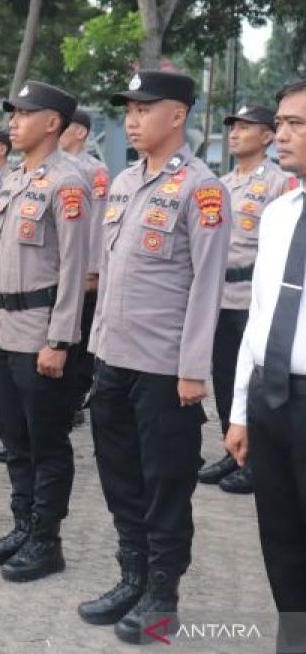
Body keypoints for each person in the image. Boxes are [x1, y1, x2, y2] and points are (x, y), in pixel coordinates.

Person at [78, 70, 228, 645]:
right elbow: (113, 273)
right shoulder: (121, 182)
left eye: (145, 109)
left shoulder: (201, 188)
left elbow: (208, 285)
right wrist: (96, 348)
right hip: (114, 357)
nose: (133, 120)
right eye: (130, 110)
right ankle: (131, 577)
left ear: (178, 115)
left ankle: (162, 596)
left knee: (165, 482)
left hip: (167, 368)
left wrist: (194, 371)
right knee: (120, 476)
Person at [0, 81, 89, 582]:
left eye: (25, 113)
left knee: (47, 444)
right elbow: (0, 259)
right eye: (13, 113)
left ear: (53, 123)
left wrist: (59, 340)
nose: (13, 121)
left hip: (41, 335)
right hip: (4, 332)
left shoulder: (70, 183)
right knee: (15, 441)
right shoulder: (17, 178)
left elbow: (75, 269)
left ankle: (46, 540)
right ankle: (22, 526)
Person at [225, 77, 306, 654]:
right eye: (279, 123)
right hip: (272, 400)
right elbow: (259, 318)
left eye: (295, 124)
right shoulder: (279, 213)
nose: (281, 135)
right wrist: (239, 412)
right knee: (281, 540)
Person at [201, 105, 289, 495]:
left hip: (252, 298)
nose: (234, 134)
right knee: (225, 379)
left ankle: (256, 460)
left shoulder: (278, 183)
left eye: (245, 127)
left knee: (254, 382)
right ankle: (232, 446)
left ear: (268, 136)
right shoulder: (222, 183)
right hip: (221, 296)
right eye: (232, 127)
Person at [59, 108, 109, 427]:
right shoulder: (51, 168)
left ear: (80, 132)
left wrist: (93, 268)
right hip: (58, 267)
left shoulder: (96, 170)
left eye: (66, 126)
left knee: (78, 338)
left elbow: (100, 221)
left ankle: (74, 398)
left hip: (83, 270)